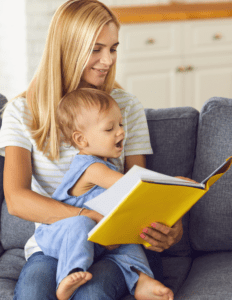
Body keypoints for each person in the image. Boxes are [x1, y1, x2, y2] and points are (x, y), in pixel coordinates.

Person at [0, 1, 183, 299]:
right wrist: (86, 219)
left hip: (115, 247)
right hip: (55, 243)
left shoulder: (126, 107)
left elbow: (139, 189)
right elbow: (17, 200)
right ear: (67, 48)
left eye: (113, 49)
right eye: (96, 49)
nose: (108, 60)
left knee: (92, 294)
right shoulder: (22, 112)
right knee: (33, 293)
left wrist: (171, 229)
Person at [34, 87, 174, 300]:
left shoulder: (105, 165)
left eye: (120, 124)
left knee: (124, 234)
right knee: (81, 223)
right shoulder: (92, 168)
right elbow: (133, 186)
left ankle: (141, 279)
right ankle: (68, 276)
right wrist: (174, 184)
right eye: (110, 129)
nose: (120, 132)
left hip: (94, 239)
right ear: (81, 140)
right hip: (59, 235)